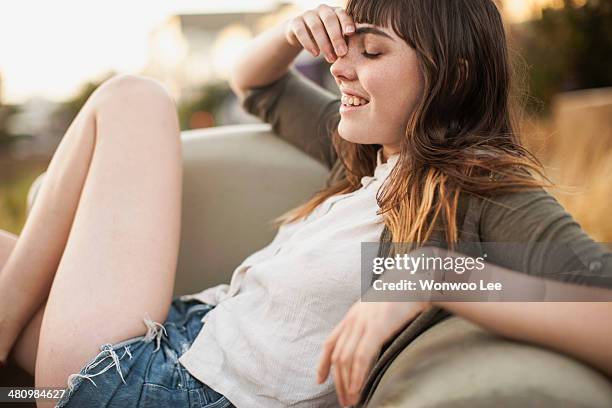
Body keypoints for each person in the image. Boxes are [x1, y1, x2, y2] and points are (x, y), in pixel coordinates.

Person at [0, 1, 610, 408]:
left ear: (453, 72)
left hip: (161, 388)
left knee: (135, 99)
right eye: (344, 48)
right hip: (181, 338)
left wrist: (431, 275)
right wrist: (297, 25)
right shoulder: (373, 151)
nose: (340, 68)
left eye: (370, 53)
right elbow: (256, 83)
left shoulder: (481, 190)